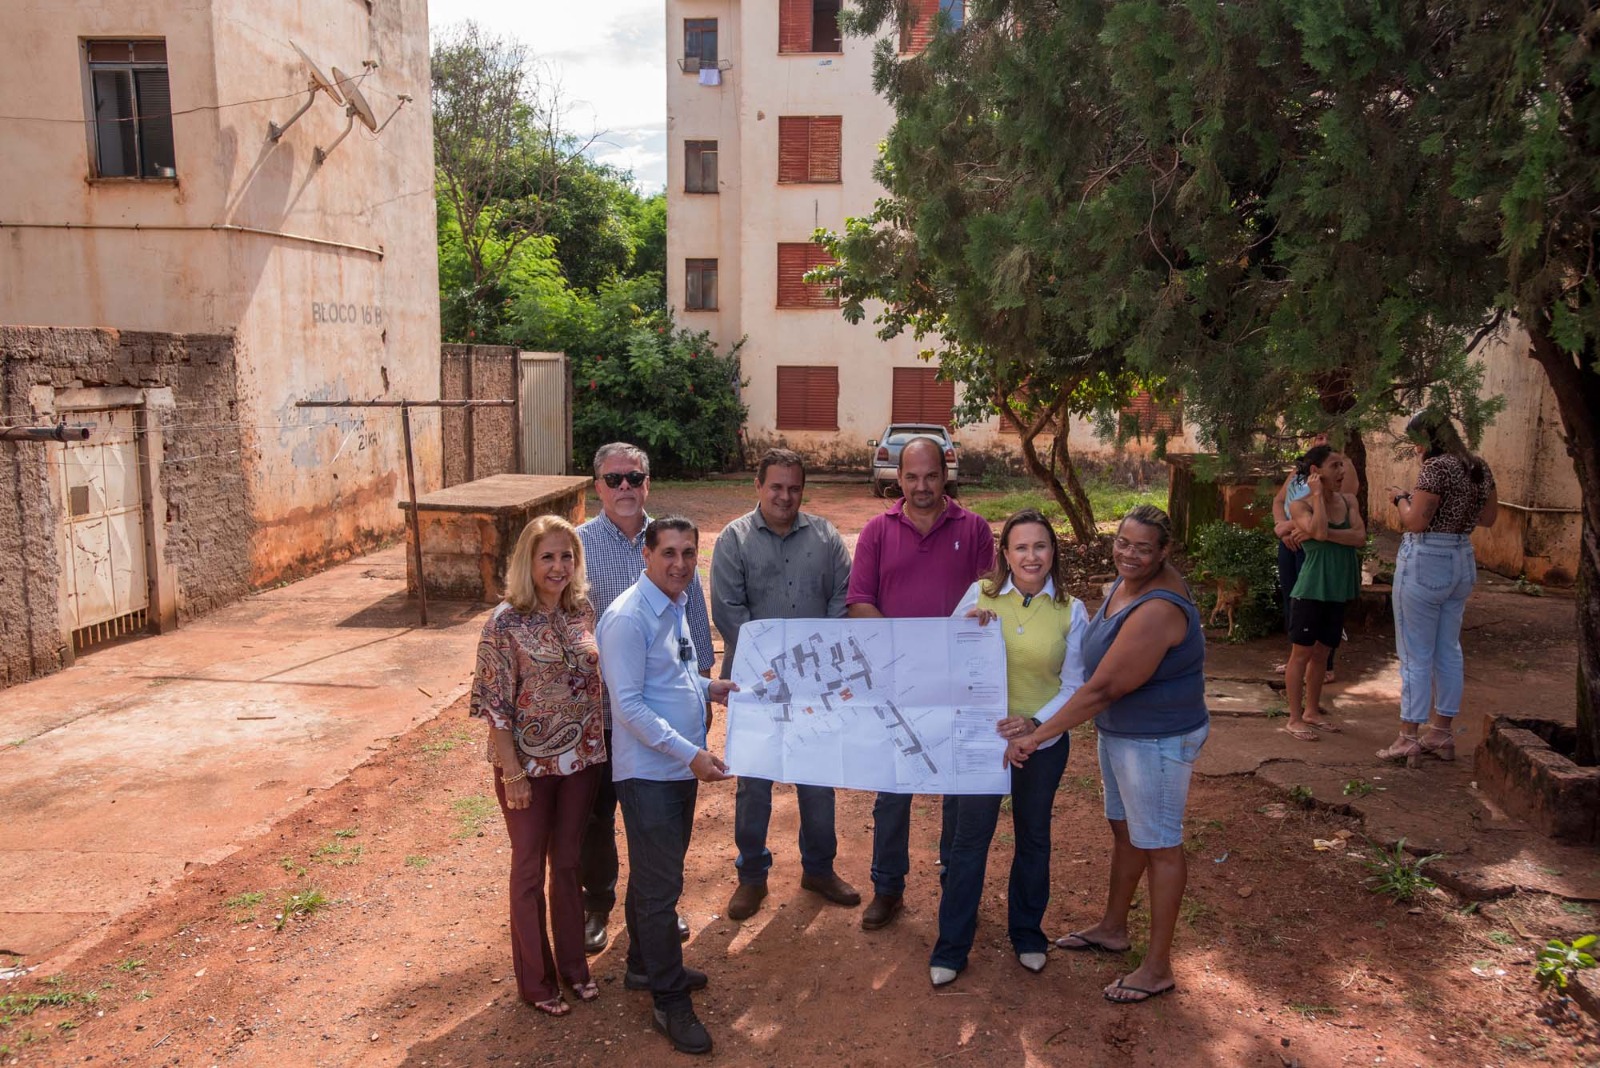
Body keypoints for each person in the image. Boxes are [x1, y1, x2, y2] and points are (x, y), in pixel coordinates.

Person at [1005, 505, 1208, 1006]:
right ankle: (1114, 928)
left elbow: (1103, 688)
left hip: (1157, 739)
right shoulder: (1124, 582)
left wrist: (1037, 733)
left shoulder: (1159, 607)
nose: (1129, 554)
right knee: (1126, 831)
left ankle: (1158, 966)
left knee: (1159, 844)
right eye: (1123, 542)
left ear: (1164, 553)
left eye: (1143, 548)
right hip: (1123, 735)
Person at [597, 516, 739, 1056]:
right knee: (661, 890)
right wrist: (692, 753)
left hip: (679, 770)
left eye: (688, 553)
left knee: (656, 878)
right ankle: (668, 1000)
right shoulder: (629, 618)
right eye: (669, 554)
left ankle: (641, 965)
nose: (680, 564)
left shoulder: (674, 605)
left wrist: (711, 687)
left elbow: (674, 677)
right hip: (652, 773)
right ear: (645, 556)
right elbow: (628, 706)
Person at [930, 510, 1087, 987]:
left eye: (1040, 546)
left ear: (1053, 552)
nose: (1031, 556)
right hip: (980, 739)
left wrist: (1035, 728)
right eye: (1021, 547)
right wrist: (965, 631)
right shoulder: (980, 596)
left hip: (1042, 742)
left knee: (1033, 837)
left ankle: (1028, 934)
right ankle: (952, 946)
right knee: (969, 839)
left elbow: (1075, 683)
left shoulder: (1071, 610)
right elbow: (944, 661)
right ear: (1005, 553)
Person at [846, 435, 996, 930]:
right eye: (911, 477)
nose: (921, 486)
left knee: (958, 786)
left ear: (945, 474)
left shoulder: (974, 529)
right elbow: (860, 603)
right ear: (897, 477)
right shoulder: (876, 531)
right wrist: (904, 653)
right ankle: (887, 887)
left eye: (931, 475)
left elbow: (991, 599)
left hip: (961, 688)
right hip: (900, 684)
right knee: (894, 789)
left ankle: (955, 881)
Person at [711, 448, 860, 920]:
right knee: (753, 784)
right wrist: (775, 670)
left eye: (794, 487)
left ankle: (819, 868)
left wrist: (807, 668)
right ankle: (751, 876)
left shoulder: (826, 538)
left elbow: (842, 599)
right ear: (758, 486)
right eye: (776, 486)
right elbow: (729, 612)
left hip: (816, 687)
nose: (785, 495)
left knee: (818, 781)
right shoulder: (733, 541)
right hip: (754, 690)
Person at [576, 442, 714, 955]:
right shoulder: (578, 546)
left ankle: (658, 904)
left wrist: (697, 704)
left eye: (634, 478)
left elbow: (695, 630)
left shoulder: (671, 543)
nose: (625, 488)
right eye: (614, 480)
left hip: (660, 713)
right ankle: (597, 906)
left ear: (648, 483)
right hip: (599, 713)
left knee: (660, 816)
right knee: (598, 818)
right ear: (598, 488)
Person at [470, 516, 607, 1017]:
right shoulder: (504, 622)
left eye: (566, 556)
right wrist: (511, 774)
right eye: (547, 557)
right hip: (525, 768)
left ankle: (575, 968)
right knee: (528, 869)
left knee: (568, 864)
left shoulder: (582, 610)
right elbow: (493, 707)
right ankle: (535, 980)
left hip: (581, 760)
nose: (558, 567)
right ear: (528, 562)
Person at [1379, 409, 1498, 766]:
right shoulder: (1478, 466)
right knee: (1448, 649)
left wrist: (1402, 499)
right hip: (1462, 556)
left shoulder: (1436, 468)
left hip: (1427, 559)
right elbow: (1489, 518)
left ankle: (1407, 737)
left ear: (1425, 439)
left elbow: (1416, 522)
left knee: (1415, 653)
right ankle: (1441, 732)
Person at [1281, 447, 1366, 742]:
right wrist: (1317, 498)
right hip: (1311, 588)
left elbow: (1358, 537)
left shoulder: (1350, 500)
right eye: (1334, 466)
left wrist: (1325, 534)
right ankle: (1294, 718)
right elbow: (1316, 532)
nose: (1341, 472)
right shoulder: (1300, 506)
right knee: (1301, 653)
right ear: (1316, 472)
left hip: (1337, 588)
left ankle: (1311, 711)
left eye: (1342, 465)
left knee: (1323, 652)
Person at [1272, 433, 1359, 682]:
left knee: (1322, 604)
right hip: (1291, 542)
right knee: (1294, 601)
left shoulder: (1342, 468)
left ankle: (1324, 664)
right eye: (1317, 436)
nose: (1320, 439)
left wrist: (1305, 528)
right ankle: (1296, 657)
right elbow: (1279, 501)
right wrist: (1285, 527)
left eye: (1326, 435)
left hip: (1317, 548)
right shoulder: (1299, 471)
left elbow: (1339, 504)